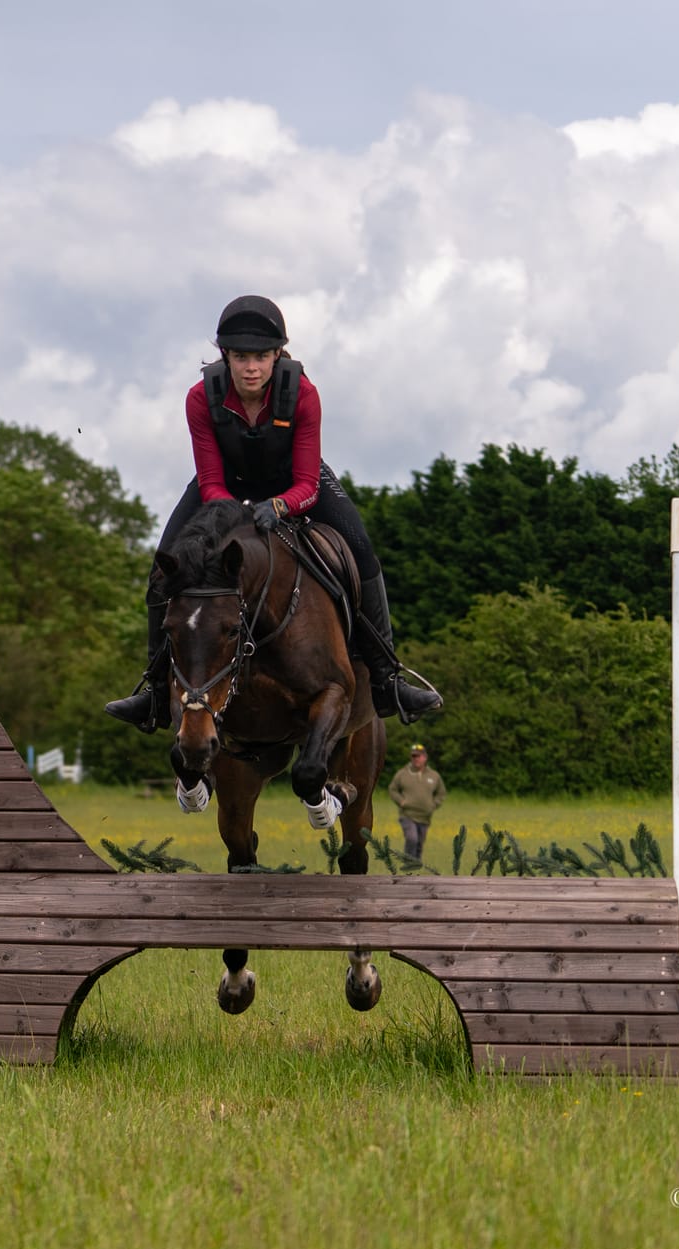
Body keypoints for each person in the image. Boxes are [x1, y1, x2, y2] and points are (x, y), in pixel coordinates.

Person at [104, 294, 444, 732]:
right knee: (163, 567)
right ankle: (154, 689)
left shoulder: (303, 394)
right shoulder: (200, 398)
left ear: (278, 355)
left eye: (261, 357)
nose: (251, 368)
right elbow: (211, 482)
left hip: (294, 482)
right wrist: (237, 515)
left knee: (360, 547)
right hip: (225, 486)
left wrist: (280, 506)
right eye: (241, 357)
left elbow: (306, 484)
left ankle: (386, 678)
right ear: (225, 355)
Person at [387, 743, 446, 863]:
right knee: (412, 838)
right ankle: (408, 864)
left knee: (419, 843)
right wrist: (401, 801)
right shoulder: (402, 774)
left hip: (425, 817)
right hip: (407, 815)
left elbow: (441, 793)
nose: (415, 759)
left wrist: (433, 804)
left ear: (425, 757)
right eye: (413, 756)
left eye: (418, 756)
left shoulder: (434, 775)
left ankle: (416, 866)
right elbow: (392, 789)